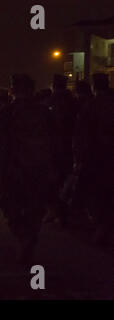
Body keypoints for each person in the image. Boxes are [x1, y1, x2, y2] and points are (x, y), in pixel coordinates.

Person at [0, 74, 55, 264]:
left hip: (14, 168)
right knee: (35, 206)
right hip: (40, 168)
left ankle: (23, 236)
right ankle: (29, 236)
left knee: (8, 203)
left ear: (13, 89)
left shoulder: (5, 112)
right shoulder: (45, 112)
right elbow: (57, 141)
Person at [73, 73, 114, 245]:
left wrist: (79, 158)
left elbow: (82, 135)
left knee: (97, 192)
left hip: (96, 156)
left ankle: (102, 226)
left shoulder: (92, 106)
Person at [44, 74, 77, 226]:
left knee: (52, 182)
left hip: (54, 148)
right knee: (67, 181)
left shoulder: (51, 102)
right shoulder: (74, 102)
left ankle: (56, 212)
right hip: (71, 147)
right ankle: (65, 213)